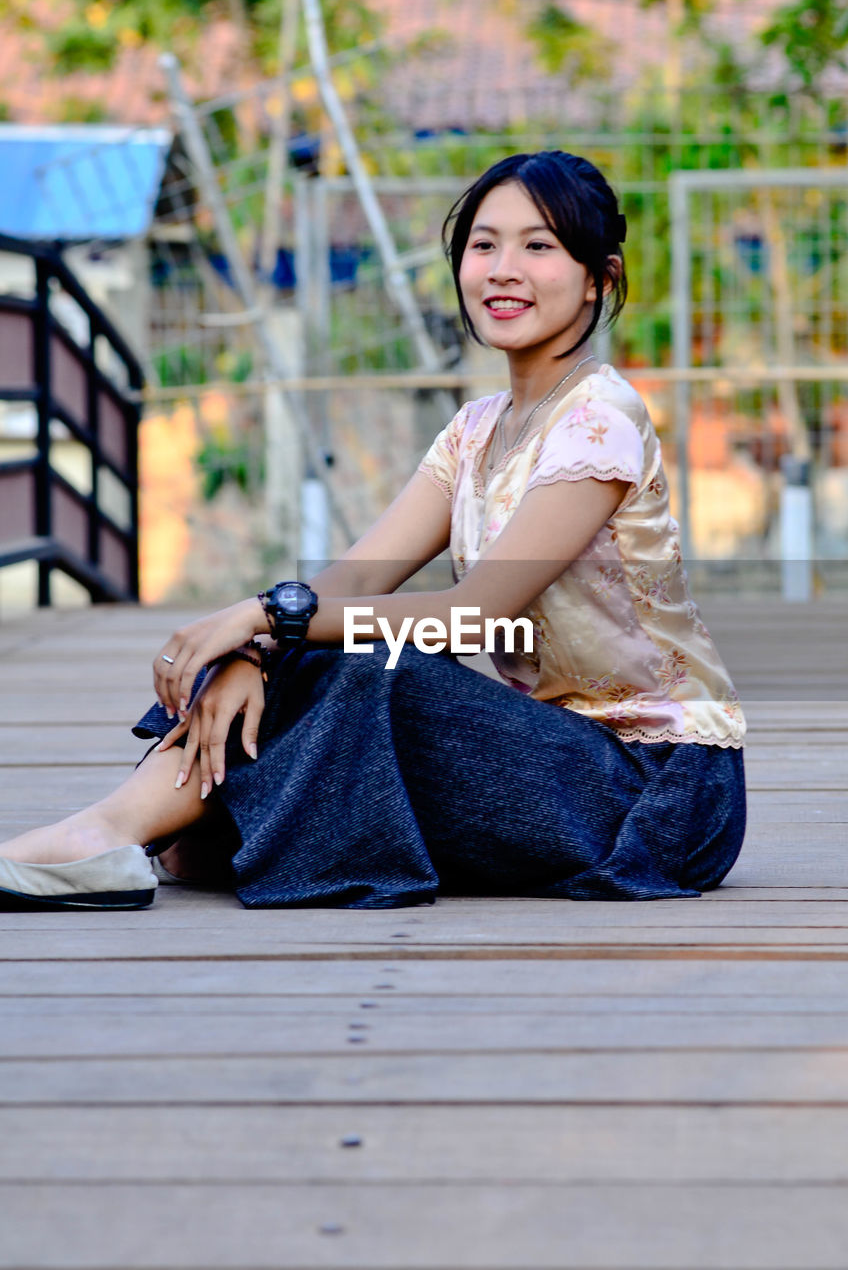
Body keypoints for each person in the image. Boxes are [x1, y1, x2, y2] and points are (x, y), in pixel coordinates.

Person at [0, 150, 746, 912]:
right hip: (544, 757)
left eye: (539, 245)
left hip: (656, 790)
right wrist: (257, 643)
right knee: (278, 651)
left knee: (372, 665)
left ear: (600, 277)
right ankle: (108, 838)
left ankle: (113, 841)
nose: (503, 269)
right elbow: (356, 579)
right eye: (484, 245)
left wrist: (266, 616)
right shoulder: (477, 430)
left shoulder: (598, 418)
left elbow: (471, 614)